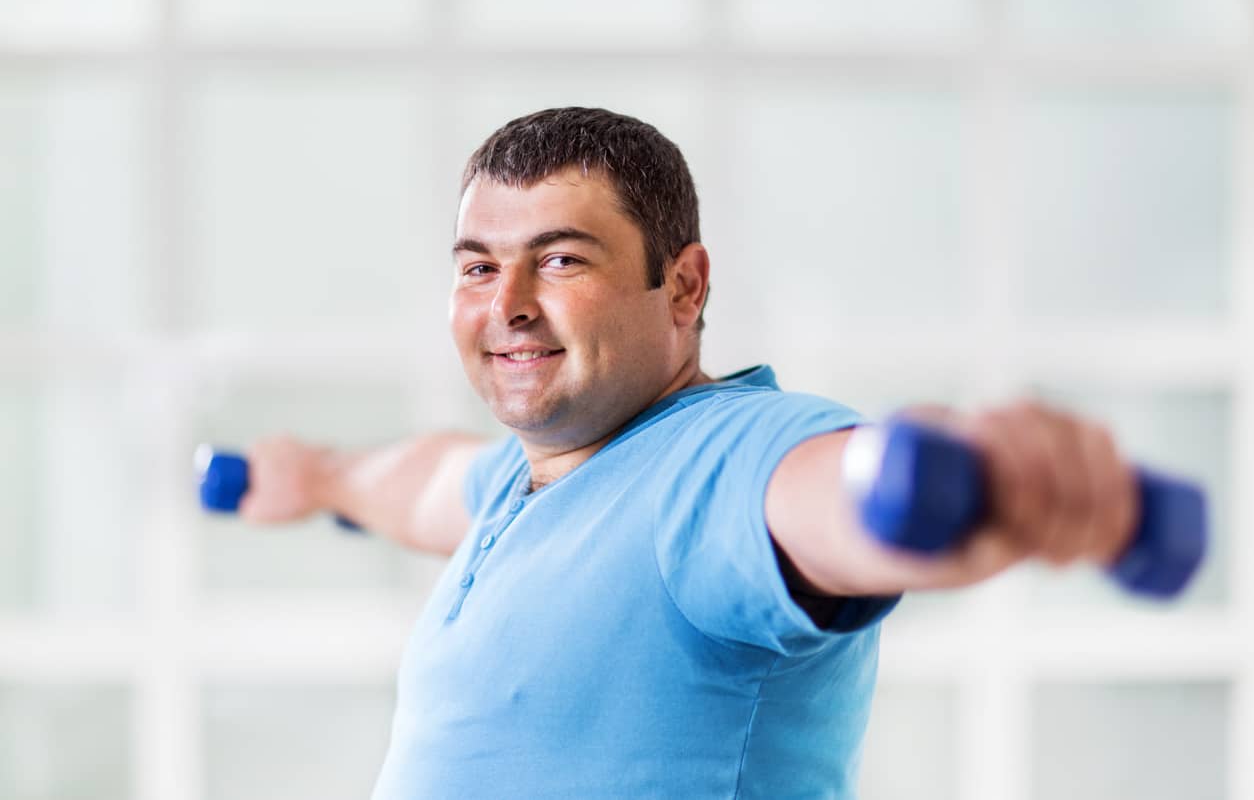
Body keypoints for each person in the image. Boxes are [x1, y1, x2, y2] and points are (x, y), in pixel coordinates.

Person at [237, 107, 1137, 798]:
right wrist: (317, 477)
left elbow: (823, 499)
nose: (506, 302)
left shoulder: (723, 460)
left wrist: (959, 483)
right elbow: (428, 481)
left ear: (684, 284)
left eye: (558, 261)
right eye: (478, 265)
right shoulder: (529, 476)